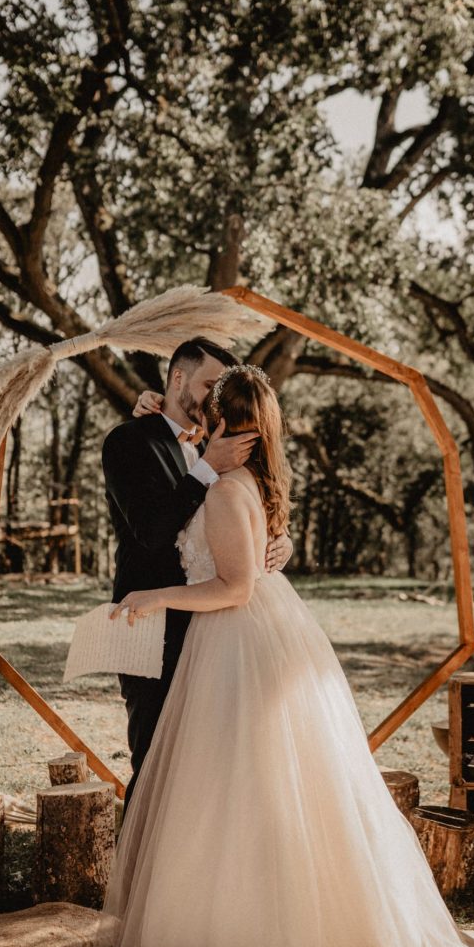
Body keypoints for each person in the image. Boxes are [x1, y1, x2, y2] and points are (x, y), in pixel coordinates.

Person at [97, 364, 474, 947]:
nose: (197, 409)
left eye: (209, 402)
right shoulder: (241, 481)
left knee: (262, 795)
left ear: (226, 421)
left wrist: (157, 595)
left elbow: (232, 588)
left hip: (238, 640)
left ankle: (286, 943)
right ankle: (232, 929)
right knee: (240, 794)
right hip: (245, 636)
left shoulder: (228, 490)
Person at [101, 338, 293, 815]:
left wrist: (282, 540)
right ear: (177, 379)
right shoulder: (130, 441)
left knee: (209, 770)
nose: (214, 399)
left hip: (218, 630)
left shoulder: (216, 444)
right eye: (209, 384)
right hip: (153, 629)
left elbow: (250, 505)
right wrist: (207, 468)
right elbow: (151, 532)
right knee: (153, 760)